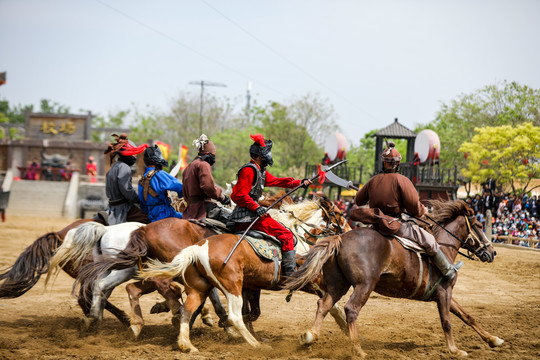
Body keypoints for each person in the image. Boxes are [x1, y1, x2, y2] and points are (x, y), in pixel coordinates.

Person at [353, 141, 462, 280]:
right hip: (394, 224)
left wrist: (369, 192)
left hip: (374, 224)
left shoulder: (373, 180)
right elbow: (414, 210)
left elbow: (359, 201)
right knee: (429, 240)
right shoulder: (402, 180)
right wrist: (423, 211)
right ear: (397, 163)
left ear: (384, 163)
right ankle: (447, 270)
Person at [229, 134, 312, 277]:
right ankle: (290, 275)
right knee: (286, 235)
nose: (269, 156)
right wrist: (255, 207)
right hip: (247, 217)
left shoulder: (259, 171)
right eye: (268, 152)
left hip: (253, 214)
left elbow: (278, 181)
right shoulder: (249, 170)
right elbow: (238, 195)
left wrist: (299, 183)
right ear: (261, 155)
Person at [181, 134, 230, 223]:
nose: (214, 158)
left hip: (189, 210)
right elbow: (208, 187)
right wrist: (222, 197)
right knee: (234, 220)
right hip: (203, 208)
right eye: (214, 155)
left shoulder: (188, 167)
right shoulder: (203, 164)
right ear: (208, 154)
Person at [103, 133, 149, 225]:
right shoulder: (124, 167)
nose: (135, 157)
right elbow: (127, 190)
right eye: (134, 154)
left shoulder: (114, 166)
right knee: (148, 219)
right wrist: (138, 199)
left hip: (111, 206)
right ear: (128, 154)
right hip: (122, 208)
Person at [138, 145, 183, 222]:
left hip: (151, 216)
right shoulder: (160, 174)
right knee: (189, 219)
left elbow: (142, 204)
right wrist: (181, 195)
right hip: (166, 213)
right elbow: (179, 187)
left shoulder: (142, 180)